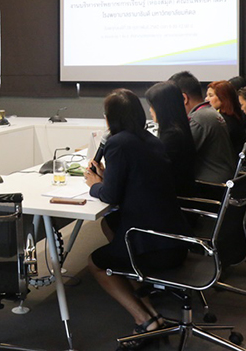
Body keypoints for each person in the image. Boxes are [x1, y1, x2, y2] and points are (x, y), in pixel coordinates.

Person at [84, 89, 189, 340]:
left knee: (95, 263)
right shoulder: (149, 139)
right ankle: (152, 313)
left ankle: (144, 320)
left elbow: (110, 196)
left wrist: (93, 184)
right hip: (174, 235)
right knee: (110, 223)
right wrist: (107, 177)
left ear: (111, 117)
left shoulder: (118, 143)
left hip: (154, 245)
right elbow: (135, 181)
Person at [169, 71, 236, 183]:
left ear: (184, 98)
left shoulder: (198, 119)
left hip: (209, 185)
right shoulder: (208, 112)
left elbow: (179, 155)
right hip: (222, 178)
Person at [145, 81, 197, 197]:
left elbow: (155, 173)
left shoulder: (172, 136)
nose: (150, 110)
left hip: (173, 201)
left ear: (163, 108)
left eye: (153, 106)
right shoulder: (179, 129)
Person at [206, 80, 246, 160]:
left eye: (211, 95)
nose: (206, 99)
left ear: (223, 98)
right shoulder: (234, 116)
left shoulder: (224, 122)